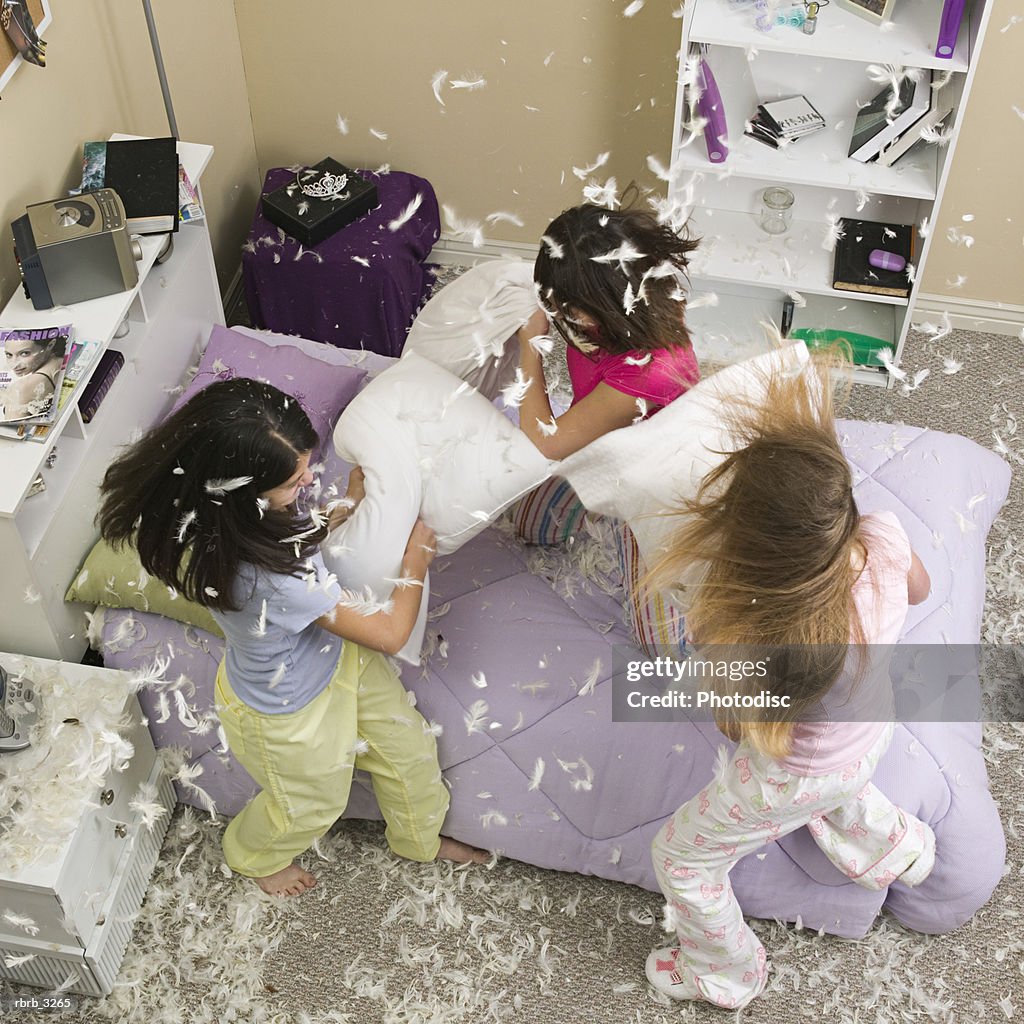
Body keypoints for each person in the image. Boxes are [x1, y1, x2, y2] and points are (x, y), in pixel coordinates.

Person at [97, 378, 486, 897]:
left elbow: (299, 540)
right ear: (239, 498)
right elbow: (389, 634)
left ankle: (419, 839)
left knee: (409, 749)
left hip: (332, 660)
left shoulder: (254, 520)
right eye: (296, 480)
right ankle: (251, 856)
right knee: (311, 803)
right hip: (287, 713)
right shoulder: (266, 578)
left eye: (305, 471)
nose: (307, 484)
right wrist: (415, 563)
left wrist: (344, 507)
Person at [641, 355, 934, 1009]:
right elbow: (919, 587)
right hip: (867, 739)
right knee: (840, 782)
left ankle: (725, 972)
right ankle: (895, 846)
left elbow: (741, 727)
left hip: (793, 776)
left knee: (681, 860)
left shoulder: (763, 642)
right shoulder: (883, 537)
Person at [513, 198, 701, 544]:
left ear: (605, 306)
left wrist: (531, 349)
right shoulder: (630, 301)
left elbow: (543, 443)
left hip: (647, 470)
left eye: (564, 307)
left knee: (536, 527)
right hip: (607, 433)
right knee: (524, 515)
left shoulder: (649, 370)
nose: (553, 311)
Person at [1, 331, 66, 421]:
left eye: (24, 353)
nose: (14, 364)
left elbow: (11, 434)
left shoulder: (21, 388)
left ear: (50, 345)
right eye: (9, 355)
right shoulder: (64, 361)